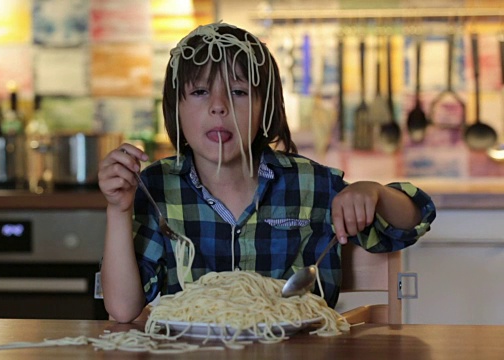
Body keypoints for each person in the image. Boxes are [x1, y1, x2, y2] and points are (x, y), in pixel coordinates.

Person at [98, 22, 436, 323]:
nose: (219, 106)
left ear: (267, 107)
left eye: (239, 92)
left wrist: (373, 192)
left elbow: (412, 221)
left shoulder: (312, 185)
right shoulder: (156, 188)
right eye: (200, 91)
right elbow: (123, 309)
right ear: (176, 109)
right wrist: (119, 209)